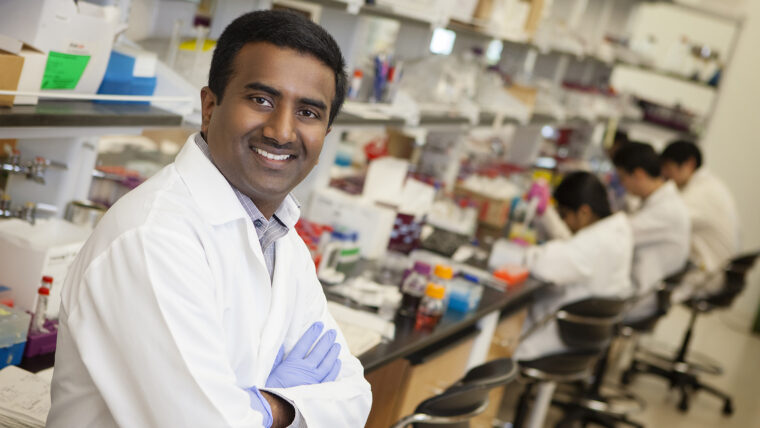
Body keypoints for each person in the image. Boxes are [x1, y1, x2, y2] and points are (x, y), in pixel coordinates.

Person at [48, 11, 371, 428]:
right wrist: (287, 407)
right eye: (261, 100)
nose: (282, 131)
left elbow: (354, 396)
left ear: (325, 133)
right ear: (209, 106)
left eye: (308, 112)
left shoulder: (281, 241)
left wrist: (259, 409)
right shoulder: (154, 239)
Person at [513, 172, 634, 360]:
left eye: (564, 215)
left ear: (584, 211)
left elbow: (542, 266)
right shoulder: (617, 231)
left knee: (500, 323)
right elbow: (575, 245)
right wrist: (548, 217)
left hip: (555, 336)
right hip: (586, 337)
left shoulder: (597, 242)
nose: (564, 221)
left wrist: (532, 251)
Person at [612, 142, 690, 320]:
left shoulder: (666, 210)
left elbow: (616, 236)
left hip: (639, 299)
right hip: (643, 287)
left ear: (638, 174)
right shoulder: (661, 201)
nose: (623, 186)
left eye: (623, 178)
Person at [660, 140, 739, 299]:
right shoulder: (710, 184)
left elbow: (666, 220)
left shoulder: (700, 193)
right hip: (720, 269)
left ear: (689, 164)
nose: (665, 175)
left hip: (709, 275)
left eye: (668, 168)